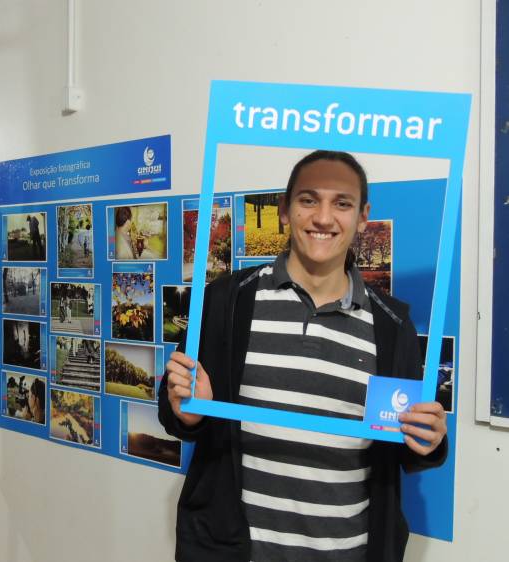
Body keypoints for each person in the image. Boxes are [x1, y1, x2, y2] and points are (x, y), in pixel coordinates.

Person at [158, 150, 447, 562]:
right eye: (309, 200)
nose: (323, 218)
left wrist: (427, 440)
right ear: (284, 210)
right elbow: (174, 409)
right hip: (234, 552)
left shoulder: (392, 324)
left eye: (342, 203)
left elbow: (402, 446)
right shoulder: (227, 300)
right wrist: (189, 411)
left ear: (362, 217)